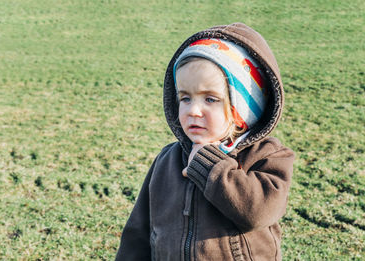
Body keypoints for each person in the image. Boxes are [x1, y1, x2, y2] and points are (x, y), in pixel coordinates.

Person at [116, 22, 295, 261]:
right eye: (185, 98)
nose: (194, 111)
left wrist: (208, 165)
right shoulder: (166, 160)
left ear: (243, 110)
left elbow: (257, 213)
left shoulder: (267, 156)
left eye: (210, 99)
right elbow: (138, 233)